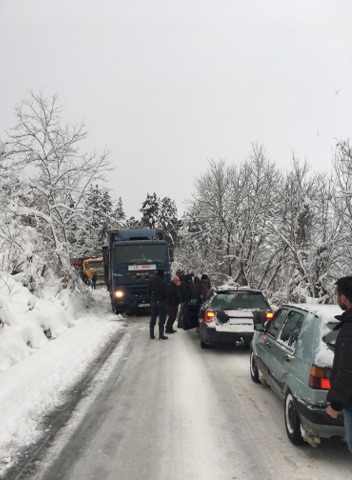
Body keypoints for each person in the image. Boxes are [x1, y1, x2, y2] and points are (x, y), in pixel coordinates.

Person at [326, 276, 352, 453]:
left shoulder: (350, 328)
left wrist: (335, 404)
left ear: (343, 297)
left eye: (336, 294)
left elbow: (348, 370)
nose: (336, 298)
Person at [148, 269, 168, 340]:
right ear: (162, 274)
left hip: (153, 301)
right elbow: (166, 293)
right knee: (162, 318)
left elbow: (149, 291)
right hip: (161, 302)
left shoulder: (151, 281)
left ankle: (151, 334)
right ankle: (161, 335)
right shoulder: (163, 282)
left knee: (153, 317)